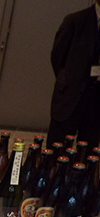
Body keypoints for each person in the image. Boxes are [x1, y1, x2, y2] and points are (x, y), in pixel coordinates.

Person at [47, 1, 100, 149]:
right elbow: (57, 56)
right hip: (70, 95)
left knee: (90, 150)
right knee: (58, 148)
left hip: (96, 100)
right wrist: (68, 80)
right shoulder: (75, 21)